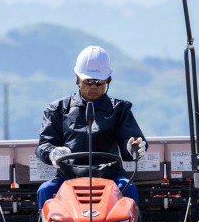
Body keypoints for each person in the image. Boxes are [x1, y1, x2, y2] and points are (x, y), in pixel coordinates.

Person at [36, 46, 147, 210]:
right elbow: (44, 145)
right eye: (88, 81)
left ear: (108, 80)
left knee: (128, 189)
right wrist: (52, 152)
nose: (93, 86)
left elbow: (130, 140)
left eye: (99, 82)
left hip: (110, 176)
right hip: (68, 177)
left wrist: (133, 147)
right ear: (77, 78)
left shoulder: (120, 110)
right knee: (45, 190)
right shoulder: (58, 109)